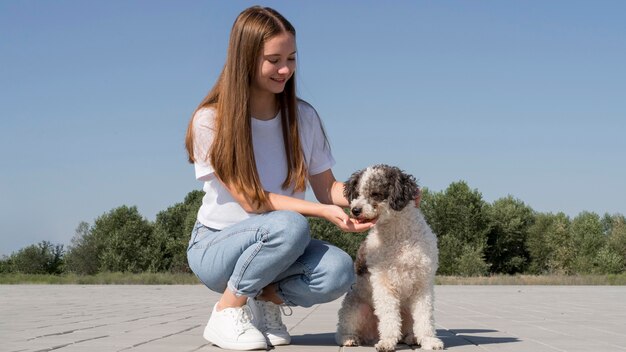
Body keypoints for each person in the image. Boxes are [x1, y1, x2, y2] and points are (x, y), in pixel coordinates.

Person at [184, 6, 377, 351]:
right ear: (245, 58)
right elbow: (251, 200)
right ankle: (227, 310)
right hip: (216, 247)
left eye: (291, 57)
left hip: (279, 246)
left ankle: (265, 301)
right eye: (273, 60)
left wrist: (380, 194)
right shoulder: (210, 120)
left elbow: (327, 189)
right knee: (291, 224)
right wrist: (319, 213)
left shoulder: (302, 117)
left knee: (339, 270)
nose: (286, 69)